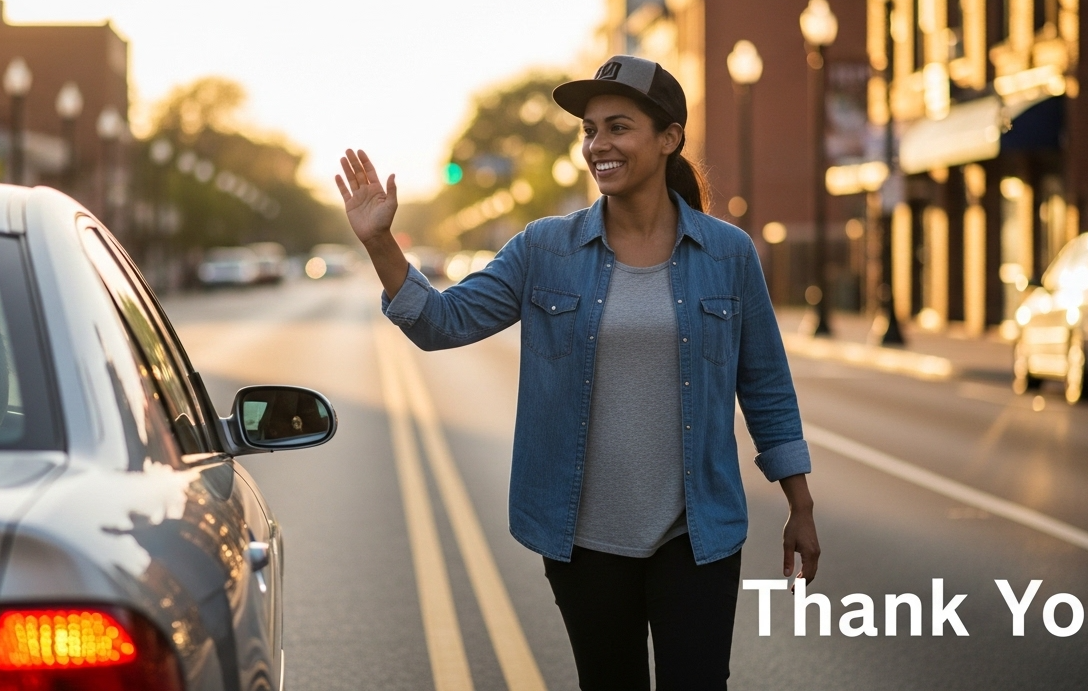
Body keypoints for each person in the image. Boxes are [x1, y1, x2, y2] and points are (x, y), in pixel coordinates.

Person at [335, 54, 819, 690]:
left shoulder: (727, 254)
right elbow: (442, 323)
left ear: (668, 138)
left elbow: (766, 386)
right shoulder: (545, 248)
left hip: (696, 535)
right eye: (589, 130)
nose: (598, 145)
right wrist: (379, 243)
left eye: (618, 127)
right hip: (584, 540)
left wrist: (800, 504)